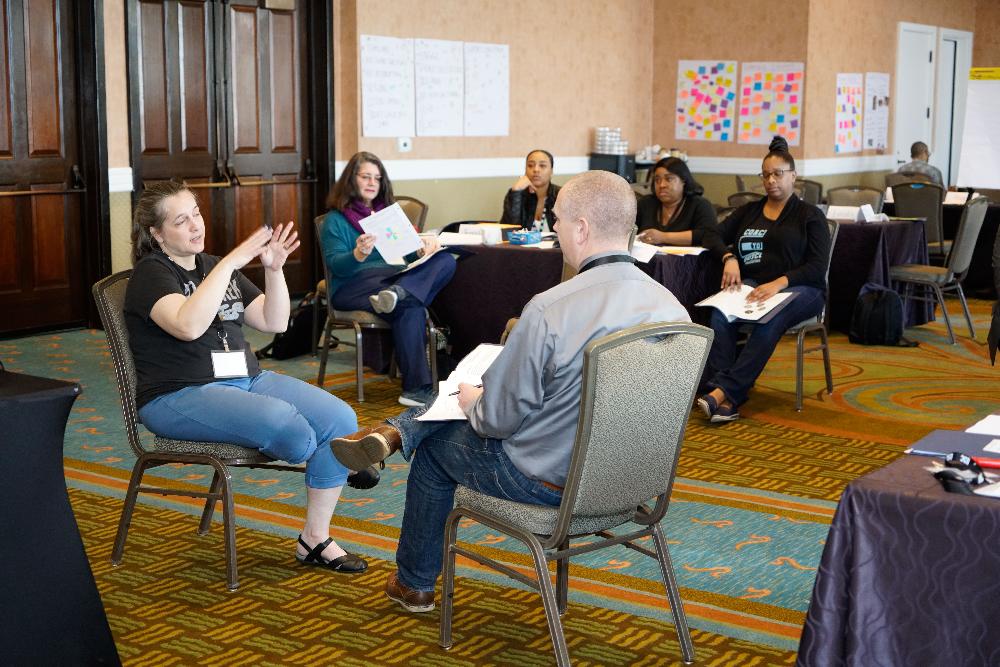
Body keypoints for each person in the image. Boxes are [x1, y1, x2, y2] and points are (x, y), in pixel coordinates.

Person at [329, 170, 690, 613]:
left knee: (438, 446)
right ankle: (396, 431)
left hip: (552, 485)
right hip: (636, 482)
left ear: (581, 228)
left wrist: (473, 403)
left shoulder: (551, 308)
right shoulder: (673, 308)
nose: (555, 228)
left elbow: (496, 421)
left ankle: (414, 582)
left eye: (558, 220)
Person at [124, 180, 368, 573]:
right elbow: (188, 326)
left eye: (196, 214)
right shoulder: (151, 274)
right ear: (157, 234)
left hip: (245, 380)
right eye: (181, 220)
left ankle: (314, 538)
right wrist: (229, 264)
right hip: (179, 394)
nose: (196, 225)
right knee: (291, 427)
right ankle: (341, 461)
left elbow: (275, 321)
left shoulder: (213, 265)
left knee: (341, 419)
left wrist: (274, 270)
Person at [697, 136, 831, 423]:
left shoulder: (810, 215)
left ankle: (723, 392)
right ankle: (727, 398)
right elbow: (712, 234)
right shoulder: (750, 211)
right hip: (756, 285)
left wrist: (779, 283)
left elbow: (817, 267)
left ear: (793, 176)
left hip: (803, 289)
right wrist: (729, 257)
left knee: (769, 319)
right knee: (721, 313)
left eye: (778, 174)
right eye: (766, 175)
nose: (771, 180)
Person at [321, 152, 457, 407]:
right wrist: (357, 254)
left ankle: (399, 294)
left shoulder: (387, 216)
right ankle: (415, 388)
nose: (372, 183)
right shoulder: (335, 220)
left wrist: (421, 250)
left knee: (446, 260)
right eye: (366, 177)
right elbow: (336, 266)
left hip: (393, 280)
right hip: (354, 285)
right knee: (411, 305)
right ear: (351, 179)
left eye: (377, 178)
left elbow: (408, 253)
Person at [635, 156, 716, 246]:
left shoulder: (699, 204)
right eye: (657, 180)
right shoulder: (645, 203)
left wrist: (663, 237)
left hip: (688, 255)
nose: (662, 185)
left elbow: (708, 235)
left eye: (669, 179)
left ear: (683, 180)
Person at [500, 149, 560, 231]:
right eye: (530, 165)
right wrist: (516, 192)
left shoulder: (560, 194)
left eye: (542, 166)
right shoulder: (517, 194)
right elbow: (508, 229)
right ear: (525, 170)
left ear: (551, 171)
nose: (536, 170)